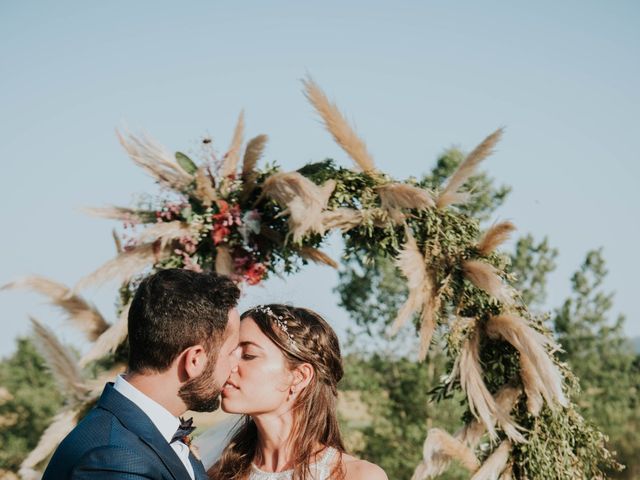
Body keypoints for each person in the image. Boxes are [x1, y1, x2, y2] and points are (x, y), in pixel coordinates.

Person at [43, 268, 242, 480]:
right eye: (231, 352)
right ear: (194, 360)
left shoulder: (141, 434)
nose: (235, 365)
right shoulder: (116, 459)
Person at [208, 304, 387, 480]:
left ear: (300, 376)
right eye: (231, 352)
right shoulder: (217, 474)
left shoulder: (358, 476)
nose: (229, 364)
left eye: (248, 355)